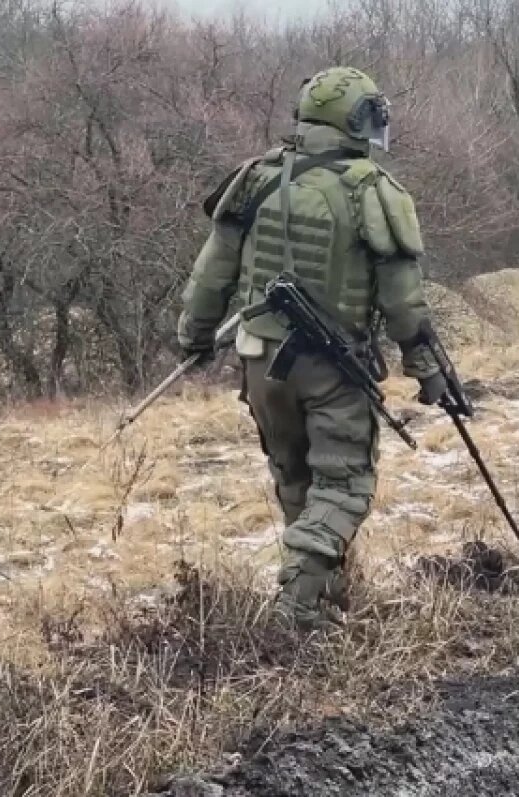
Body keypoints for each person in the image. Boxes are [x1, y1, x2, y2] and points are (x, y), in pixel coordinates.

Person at [176, 66, 448, 631]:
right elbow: (402, 300)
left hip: (260, 363)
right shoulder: (372, 190)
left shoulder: (257, 179)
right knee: (344, 485)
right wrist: (427, 368)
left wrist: (194, 338)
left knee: (297, 480)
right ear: (356, 120)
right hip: (330, 368)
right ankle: (298, 608)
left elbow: (212, 274)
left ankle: (325, 596)